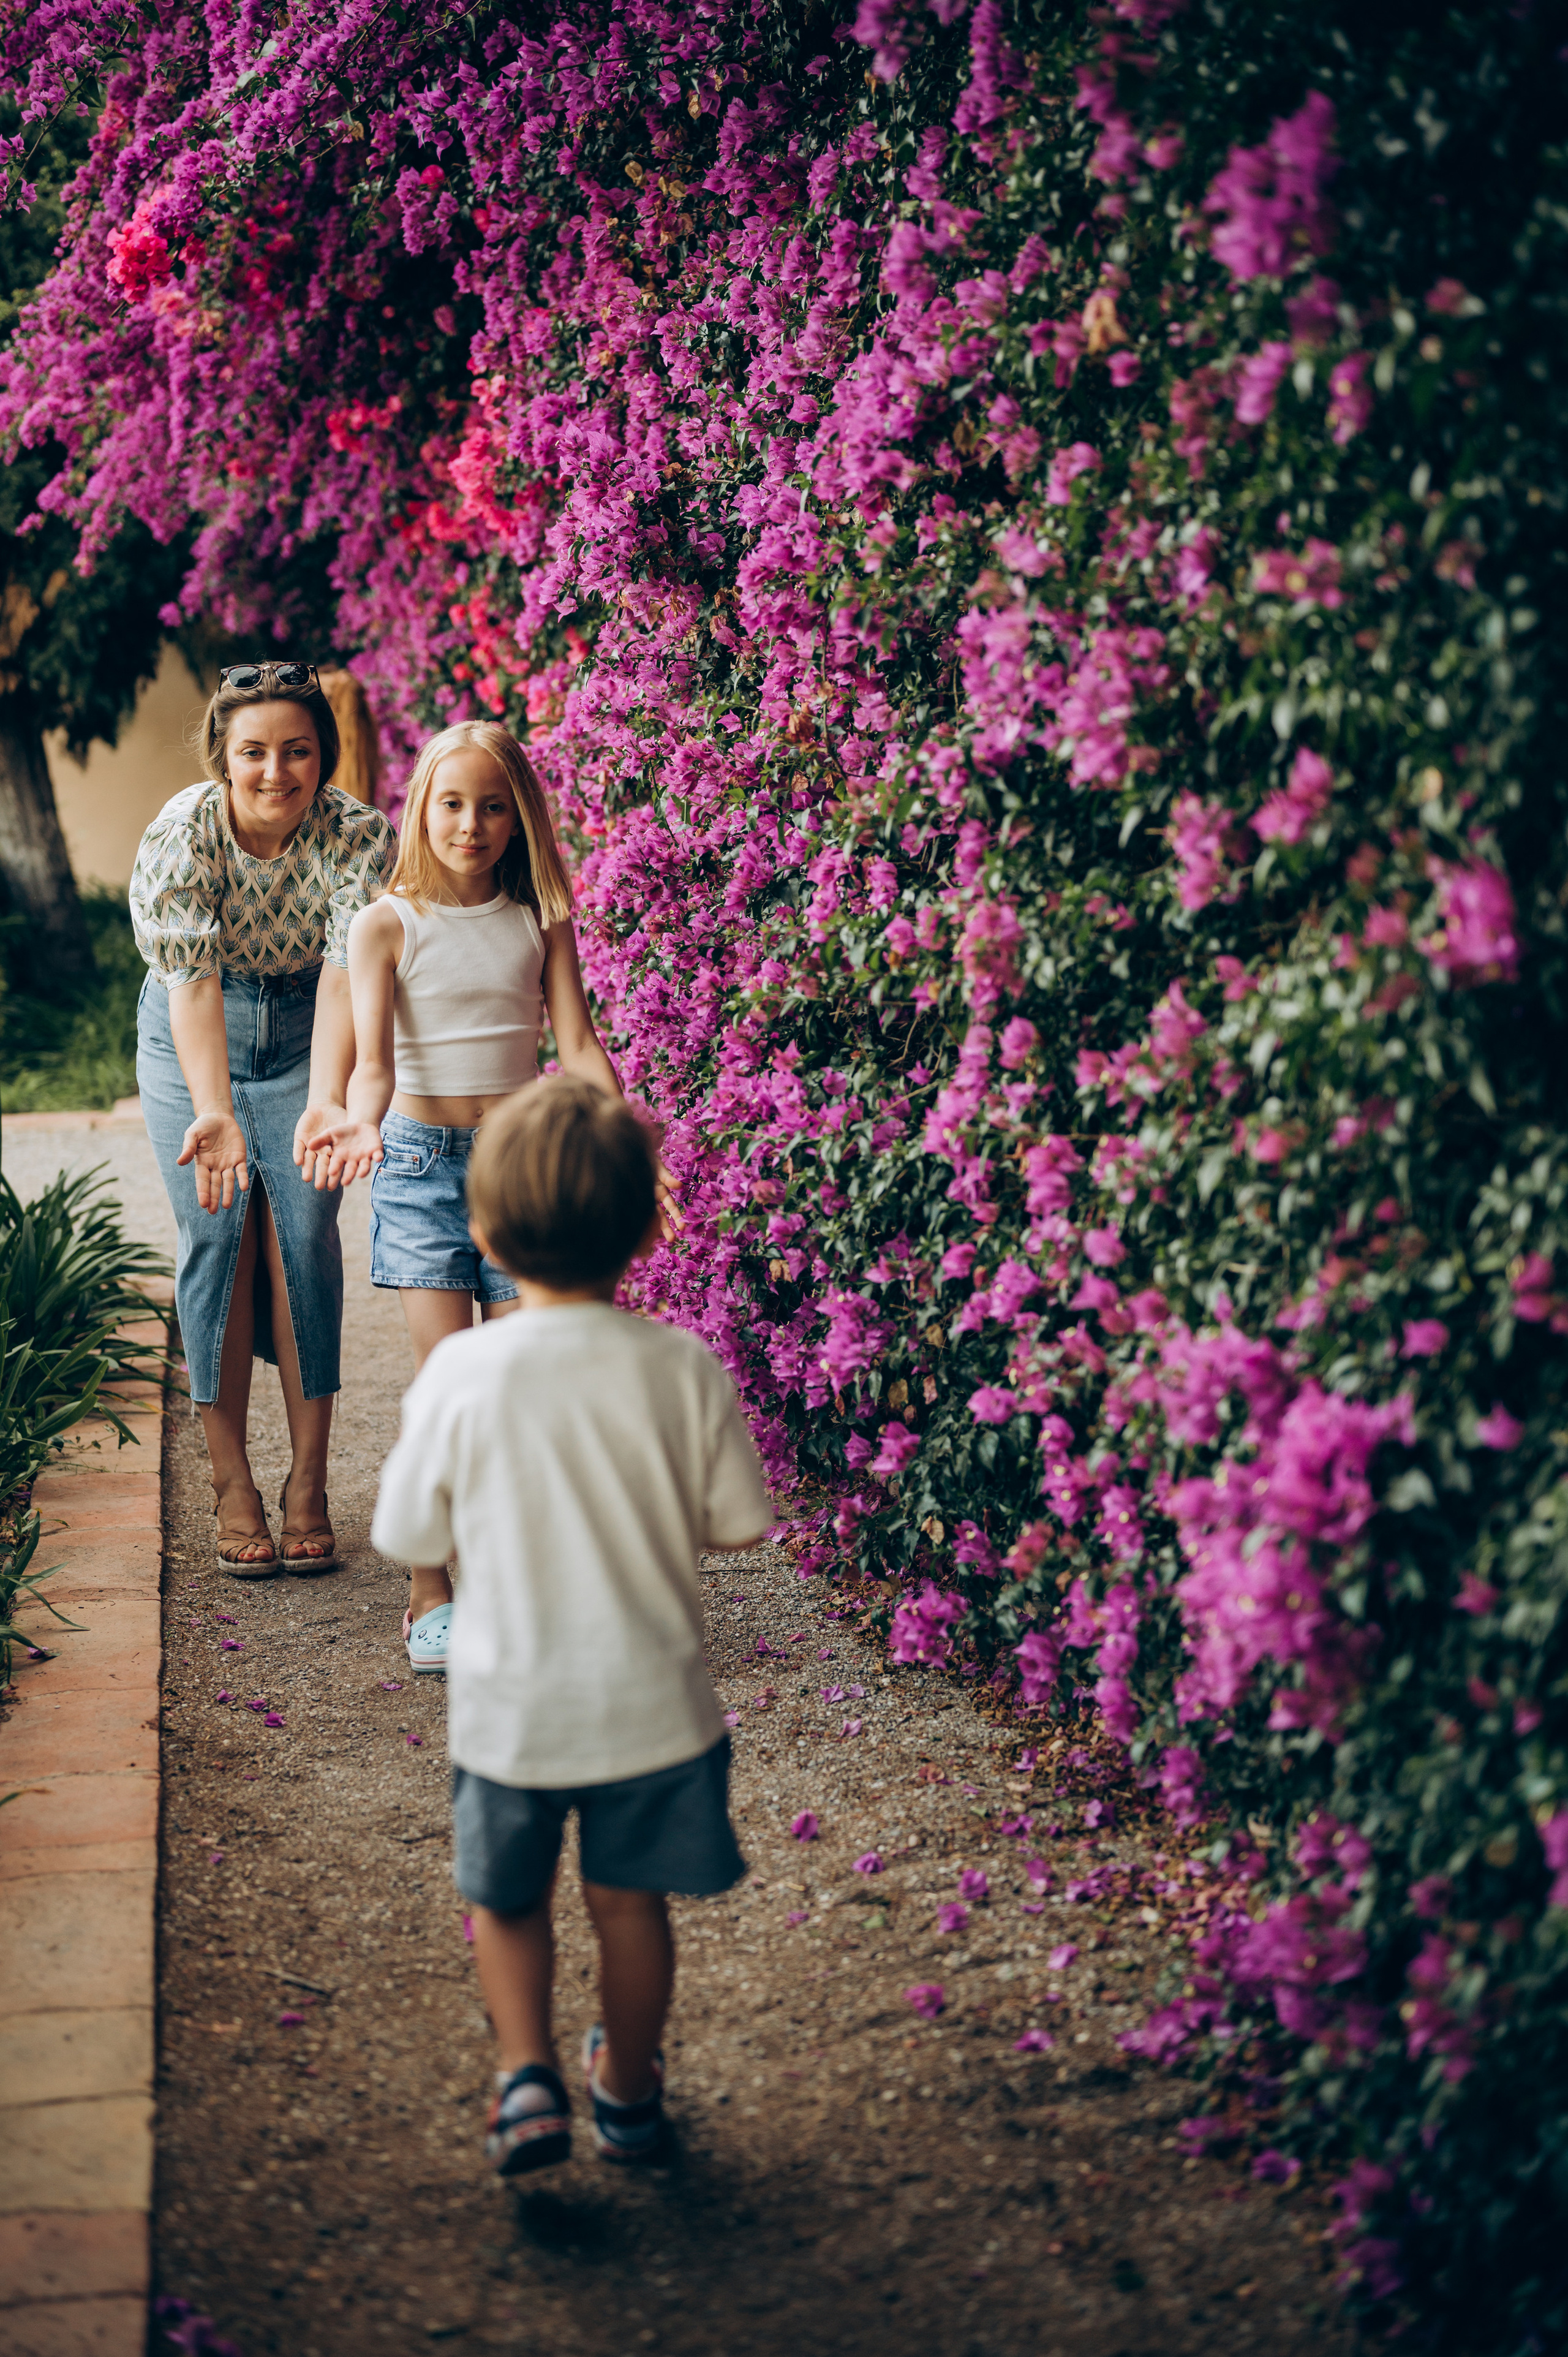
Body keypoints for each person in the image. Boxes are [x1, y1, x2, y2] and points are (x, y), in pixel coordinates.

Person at [370, 1075, 771, 2174]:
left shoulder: (461, 1372)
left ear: (485, 1229)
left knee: (508, 1903)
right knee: (628, 1902)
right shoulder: (679, 1368)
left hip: (510, 1711)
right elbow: (740, 1524)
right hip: (653, 1707)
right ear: (647, 1230)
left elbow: (406, 1525)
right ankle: (629, 2094)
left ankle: (527, 2079)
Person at [306, 720, 644, 1673]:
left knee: (523, 1381)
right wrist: (355, 1122)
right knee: (450, 1386)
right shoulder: (386, 923)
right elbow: (374, 1066)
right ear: (422, 809)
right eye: (453, 804)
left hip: (520, 1164)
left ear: (521, 816)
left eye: (494, 806)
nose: (472, 824)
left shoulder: (542, 914)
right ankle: (429, 1593)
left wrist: (625, 1148)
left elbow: (574, 1046)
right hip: (417, 1167)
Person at [130, 659, 397, 1574]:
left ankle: (309, 1483)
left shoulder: (357, 835)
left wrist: (325, 1098)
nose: (275, 772)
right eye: (253, 752)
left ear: (323, 755)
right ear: (221, 755)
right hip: (195, 1028)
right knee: (219, 1232)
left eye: (297, 750)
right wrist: (215, 1110)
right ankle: (230, 1480)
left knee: (306, 1239)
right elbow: (191, 985)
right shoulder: (183, 834)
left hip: (307, 1032)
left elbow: (343, 976)